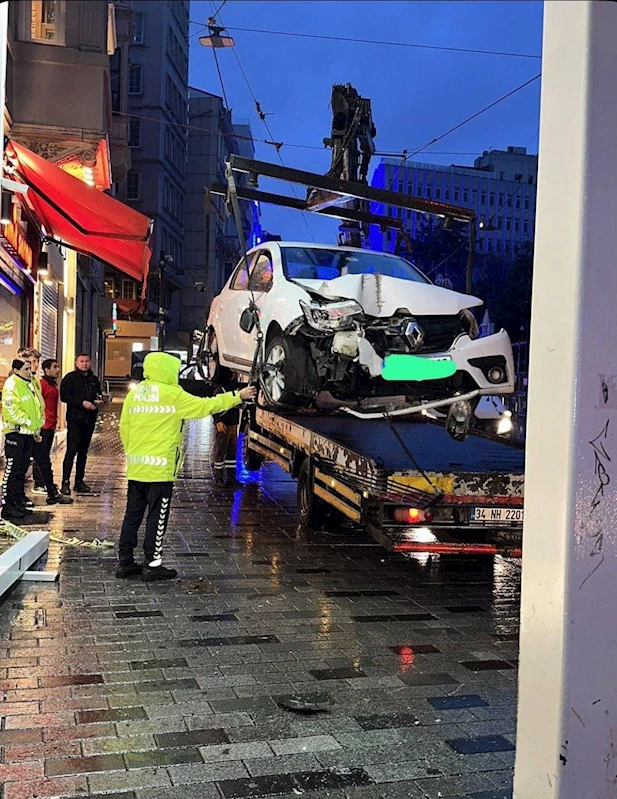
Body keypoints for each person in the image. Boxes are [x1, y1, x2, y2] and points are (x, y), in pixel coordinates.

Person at [117, 351, 256, 582]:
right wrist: (237, 396)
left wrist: (133, 452)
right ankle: (152, 565)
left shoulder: (136, 394)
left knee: (132, 514)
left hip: (137, 466)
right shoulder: (173, 394)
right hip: (160, 469)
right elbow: (206, 406)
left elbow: (124, 427)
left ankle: (125, 562)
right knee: (157, 516)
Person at [1, 359, 43, 520]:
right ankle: (8, 506)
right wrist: (27, 422)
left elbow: (37, 407)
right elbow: (11, 410)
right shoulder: (12, 385)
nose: (30, 371)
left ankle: (18, 502)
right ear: (16, 370)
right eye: (26, 369)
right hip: (15, 433)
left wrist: (35, 428)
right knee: (12, 470)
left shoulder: (29, 383)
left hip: (27, 434)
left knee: (21, 471)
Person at [31, 358, 73, 505]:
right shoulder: (41, 385)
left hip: (49, 426)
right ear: (46, 369)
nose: (58, 369)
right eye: (55, 367)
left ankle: (48, 487)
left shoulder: (51, 385)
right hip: (42, 427)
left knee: (44, 458)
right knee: (42, 459)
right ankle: (43, 486)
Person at [60, 354, 103, 496]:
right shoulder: (70, 378)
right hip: (75, 420)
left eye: (87, 361)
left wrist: (98, 401)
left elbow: (97, 394)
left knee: (83, 452)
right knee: (71, 451)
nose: (84, 364)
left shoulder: (94, 379)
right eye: (82, 361)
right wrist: (82, 402)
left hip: (89, 420)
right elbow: (65, 396)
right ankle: (65, 482)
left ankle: (79, 481)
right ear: (76, 363)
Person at [212, 369, 241, 488]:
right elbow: (214, 407)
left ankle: (231, 478)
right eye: (233, 374)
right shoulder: (220, 391)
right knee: (221, 452)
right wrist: (218, 422)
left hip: (232, 425)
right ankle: (218, 477)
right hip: (224, 426)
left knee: (231, 453)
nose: (234, 376)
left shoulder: (234, 389)